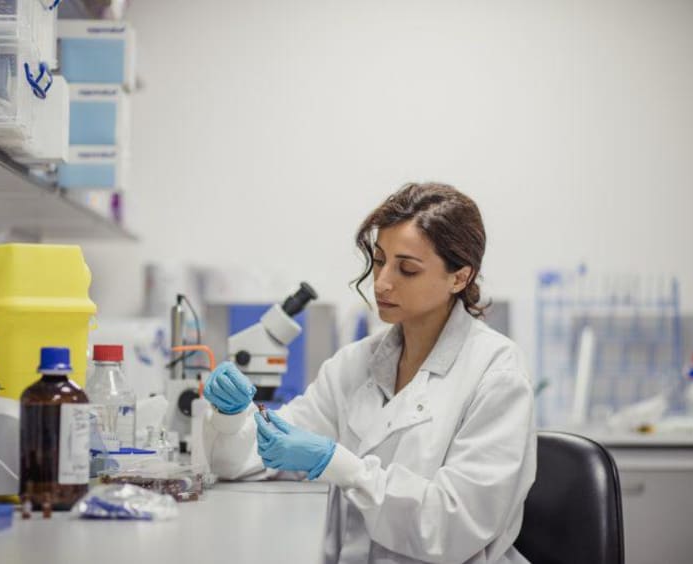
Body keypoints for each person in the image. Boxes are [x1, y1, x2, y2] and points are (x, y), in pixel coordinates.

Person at [202, 182, 536, 564]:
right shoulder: (355, 363)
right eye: (379, 261)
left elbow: (451, 528)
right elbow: (241, 462)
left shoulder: (497, 373)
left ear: (459, 277)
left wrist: (341, 466)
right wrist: (230, 419)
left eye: (406, 269)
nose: (382, 282)